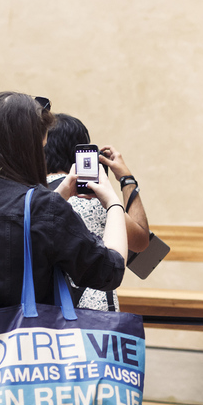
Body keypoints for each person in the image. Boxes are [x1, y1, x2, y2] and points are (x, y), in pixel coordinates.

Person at [0, 93, 128, 405]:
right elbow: (109, 271)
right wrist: (113, 203)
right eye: (41, 143)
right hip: (27, 380)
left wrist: (58, 195)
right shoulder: (44, 207)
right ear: (28, 146)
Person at [44, 113, 151, 311]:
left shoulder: (32, 199)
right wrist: (126, 178)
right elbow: (142, 242)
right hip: (95, 318)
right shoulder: (96, 198)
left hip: (47, 316)